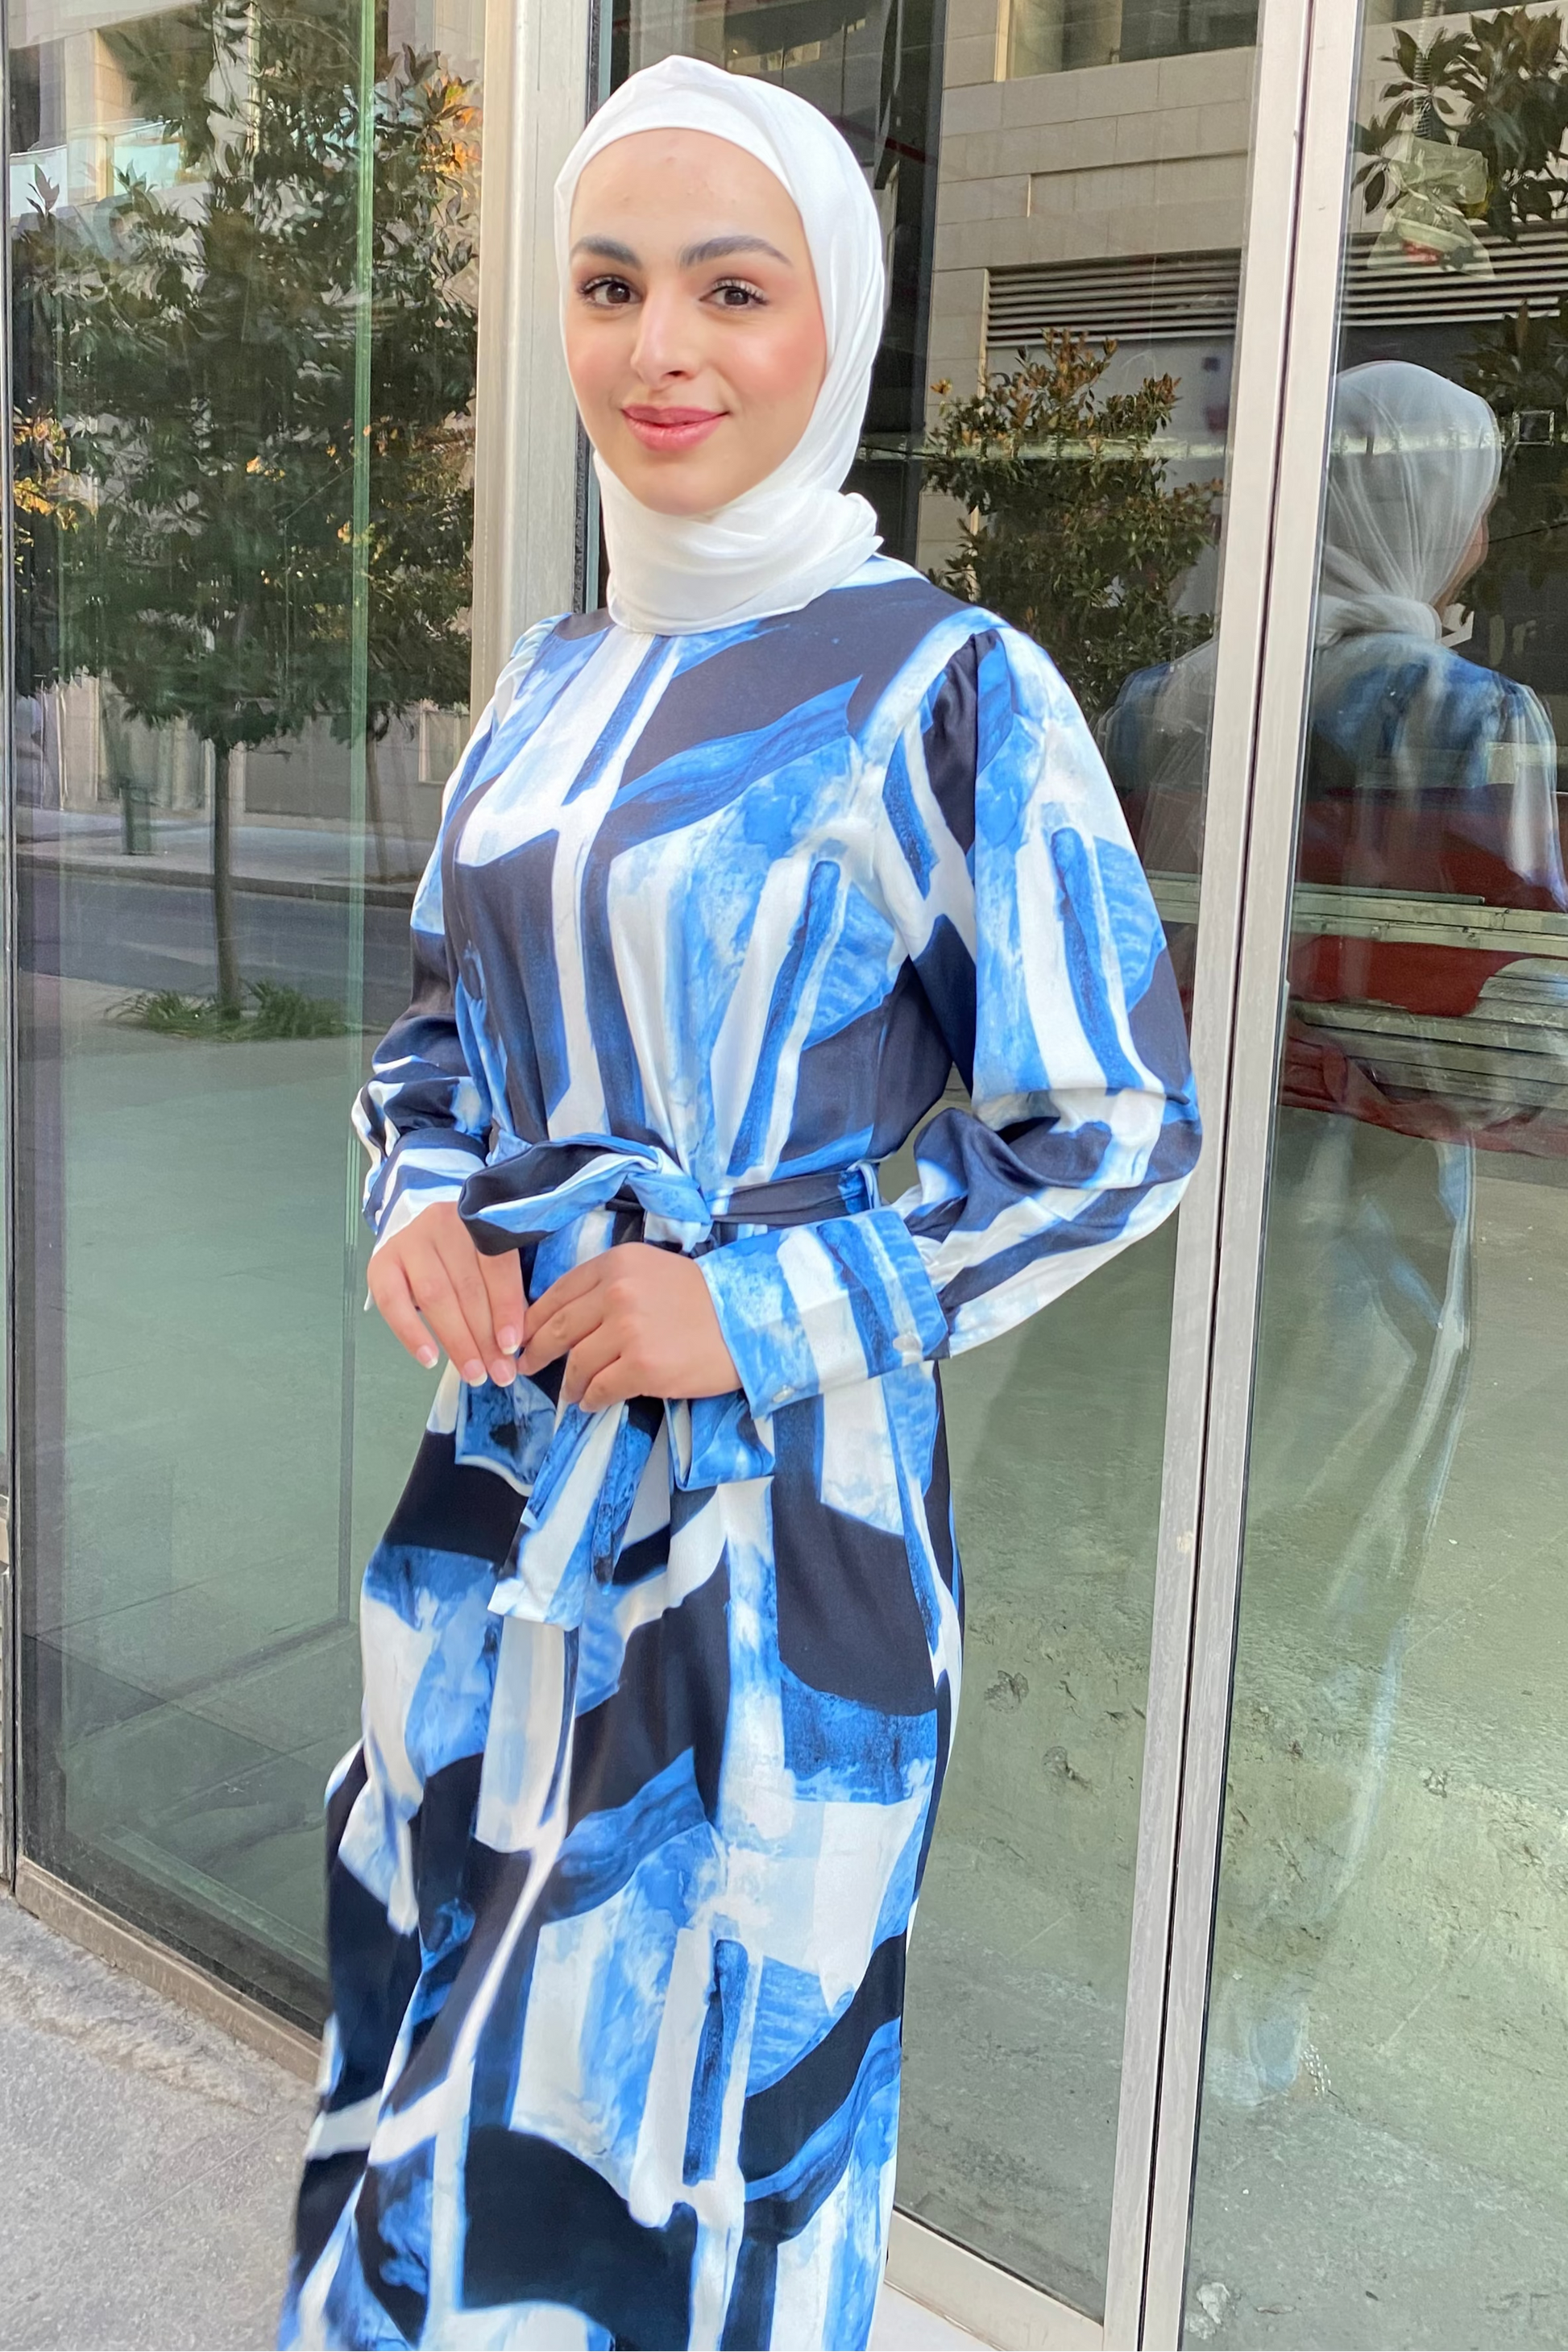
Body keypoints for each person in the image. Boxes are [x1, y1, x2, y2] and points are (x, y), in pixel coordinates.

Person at [280, 56, 1200, 2352]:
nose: (661, 348)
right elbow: (435, 1030)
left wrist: (760, 1303)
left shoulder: (950, 690)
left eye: (731, 288)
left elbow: (1114, 1121)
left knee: (702, 2092)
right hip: (508, 1477)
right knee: (443, 2013)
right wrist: (416, 1198)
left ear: (834, 325)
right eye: (608, 287)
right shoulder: (553, 678)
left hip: (779, 1523)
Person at [1102, 359, 1568, 2105]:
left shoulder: (1165, 701)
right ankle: (1244, 2027)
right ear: (1415, 507)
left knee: (1148, 1577)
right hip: (1358, 1265)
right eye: (1473, 499)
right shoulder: (1468, 719)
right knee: (1322, 1613)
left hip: (1153, 1243)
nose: (1482, 534)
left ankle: (1117, 1942)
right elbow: (1510, 1049)